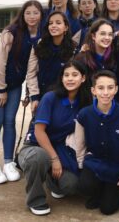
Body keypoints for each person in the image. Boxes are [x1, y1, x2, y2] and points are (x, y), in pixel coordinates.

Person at [0, 0, 43, 184]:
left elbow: (31, 71)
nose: (32, 16)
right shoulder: (11, 32)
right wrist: (1, 89)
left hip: (15, 84)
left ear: (41, 15)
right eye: (28, 13)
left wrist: (31, 94)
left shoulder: (40, 37)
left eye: (36, 12)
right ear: (22, 15)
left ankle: (8, 163)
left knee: (9, 121)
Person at [18, 60, 87, 216]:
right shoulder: (50, 97)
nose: (70, 79)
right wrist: (54, 160)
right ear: (61, 78)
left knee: (71, 185)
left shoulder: (83, 101)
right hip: (35, 146)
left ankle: (51, 181)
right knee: (38, 158)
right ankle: (36, 200)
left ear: (83, 78)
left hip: (59, 147)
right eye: (66, 75)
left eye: (75, 75)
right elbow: (39, 132)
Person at [73, 70, 119, 215]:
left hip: (117, 167)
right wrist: (82, 167)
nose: (105, 93)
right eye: (100, 88)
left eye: (110, 88)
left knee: (108, 209)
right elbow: (80, 145)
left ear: (116, 89)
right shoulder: (84, 114)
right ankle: (98, 190)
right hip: (95, 163)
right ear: (93, 90)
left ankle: (115, 190)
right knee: (84, 186)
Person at [26, 11, 76, 113]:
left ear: (66, 27)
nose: (53, 26)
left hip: (63, 97)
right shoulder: (38, 45)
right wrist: (34, 97)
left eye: (58, 23)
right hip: (40, 96)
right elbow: (31, 73)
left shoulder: (73, 49)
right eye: (50, 23)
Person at [74, 19, 116, 109]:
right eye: (103, 34)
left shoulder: (115, 56)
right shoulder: (82, 58)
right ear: (93, 36)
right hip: (86, 105)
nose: (107, 37)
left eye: (110, 34)